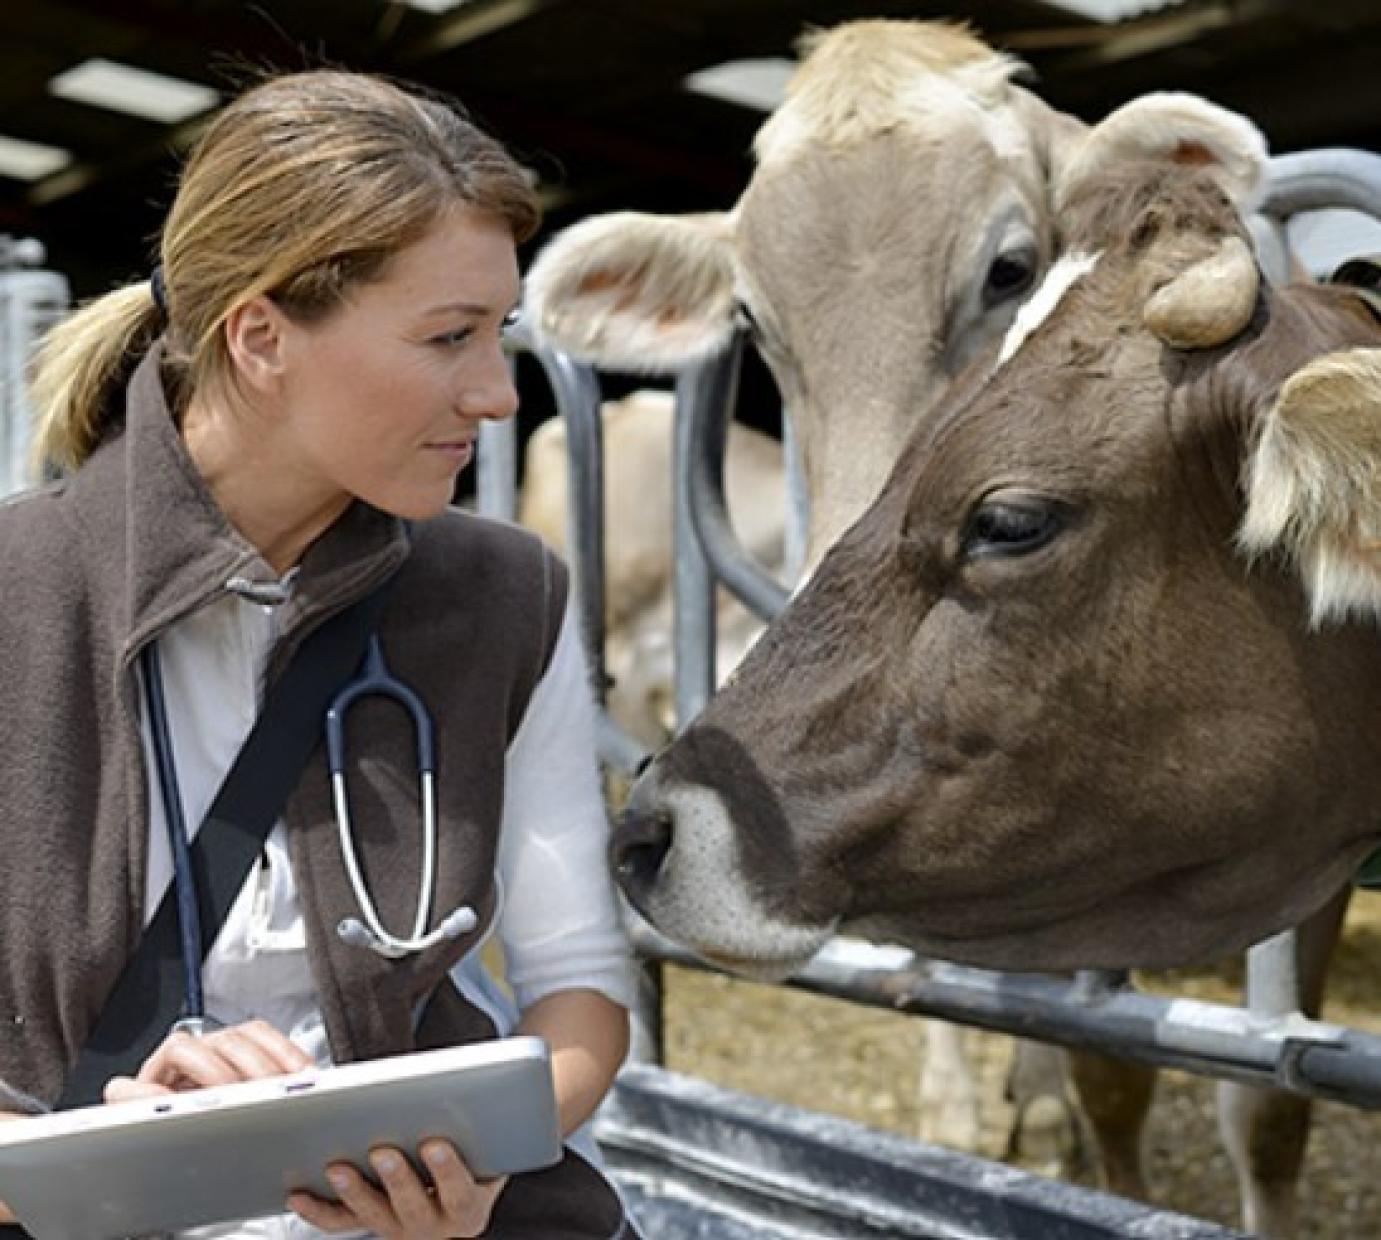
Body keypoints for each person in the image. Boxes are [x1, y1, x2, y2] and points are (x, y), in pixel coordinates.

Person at [0, 69, 637, 1239]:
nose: (497, 394)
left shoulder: (507, 599)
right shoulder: (15, 599)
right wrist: (83, 1160)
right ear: (260, 336)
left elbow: (581, 989)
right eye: (448, 337)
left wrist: (470, 1162)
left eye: (498, 334)